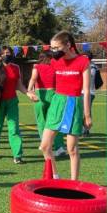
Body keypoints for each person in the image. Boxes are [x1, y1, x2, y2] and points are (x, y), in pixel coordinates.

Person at [33, 31, 92, 181]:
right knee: (45, 146)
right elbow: (42, 73)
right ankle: (55, 176)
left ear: (68, 45)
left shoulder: (83, 61)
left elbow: (85, 90)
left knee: (71, 149)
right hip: (57, 102)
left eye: (56, 47)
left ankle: (74, 183)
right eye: (52, 48)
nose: (54, 51)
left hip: (74, 103)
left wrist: (87, 115)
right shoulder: (54, 61)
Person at [0, 47, 35, 163]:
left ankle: (17, 155)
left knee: (14, 128)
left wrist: (28, 93)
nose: (7, 55)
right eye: (4, 53)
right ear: (0, 56)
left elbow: (19, 85)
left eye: (9, 53)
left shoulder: (16, 68)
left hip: (12, 101)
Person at [27, 51, 66, 156]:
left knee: (41, 122)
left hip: (40, 95)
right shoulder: (56, 67)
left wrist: (29, 91)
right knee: (56, 122)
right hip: (54, 94)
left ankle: (44, 144)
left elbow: (33, 78)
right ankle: (60, 147)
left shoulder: (37, 67)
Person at [82, 52, 99, 136]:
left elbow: (90, 76)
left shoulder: (91, 67)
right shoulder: (94, 66)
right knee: (84, 110)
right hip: (86, 91)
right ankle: (85, 129)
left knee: (85, 110)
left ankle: (85, 129)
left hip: (87, 92)